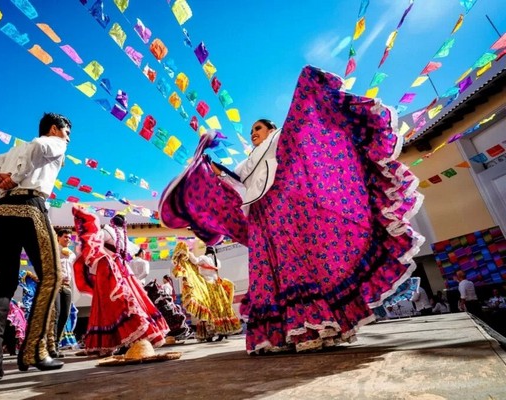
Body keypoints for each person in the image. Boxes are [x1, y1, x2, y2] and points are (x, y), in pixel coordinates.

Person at [160, 66, 424, 354]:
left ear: (271, 129)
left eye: (257, 129)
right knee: (270, 272)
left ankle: (319, 324)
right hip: (262, 219)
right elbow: (234, 183)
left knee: (298, 266)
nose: (253, 134)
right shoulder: (248, 161)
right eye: (251, 132)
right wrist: (210, 170)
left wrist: (307, 91)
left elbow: (303, 141)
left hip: (287, 212)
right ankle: (283, 333)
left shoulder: (282, 139)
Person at [0, 112, 71, 382]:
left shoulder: (15, 149)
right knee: (53, 276)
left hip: (2, 211)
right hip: (30, 208)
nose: (68, 138)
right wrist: (16, 177)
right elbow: (41, 147)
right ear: (55, 129)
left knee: (4, 282)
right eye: (67, 132)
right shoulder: (52, 143)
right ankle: (34, 350)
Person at [71, 206, 168, 356]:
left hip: (109, 271)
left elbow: (93, 243)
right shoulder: (124, 236)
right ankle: (127, 340)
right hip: (124, 271)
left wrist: (86, 223)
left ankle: (116, 342)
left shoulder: (107, 231)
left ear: (112, 222)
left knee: (109, 306)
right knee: (128, 303)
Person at [172, 243, 242, 342]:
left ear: (206, 251)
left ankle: (209, 333)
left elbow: (194, 260)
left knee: (208, 310)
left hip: (207, 287)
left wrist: (187, 251)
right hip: (218, 287)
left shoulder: (203, 258)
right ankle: (222, 331)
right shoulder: (217, 261)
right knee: (220, 310)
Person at [46, 228, 75, 358]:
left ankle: (57, 345)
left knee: (65, 315)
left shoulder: (72, 254)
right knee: (55, 314)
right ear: (58, 237)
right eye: (65, 237)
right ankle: (51, 346)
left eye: (69, 237)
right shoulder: (53, 250)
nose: (67, 239)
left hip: (67, 287)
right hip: (55, 285)